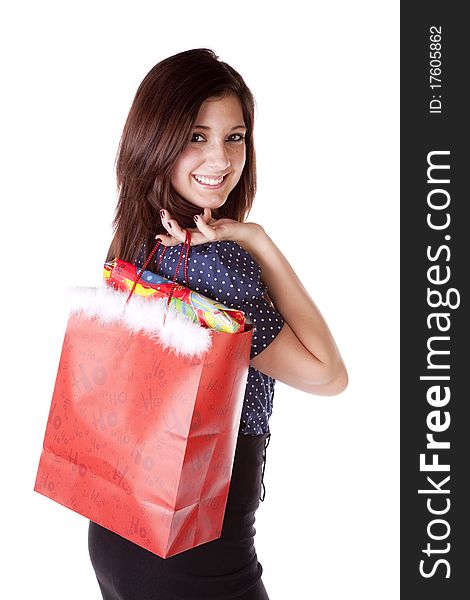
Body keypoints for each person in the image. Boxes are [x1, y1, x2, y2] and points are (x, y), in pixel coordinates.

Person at [88, 47, 348, 600]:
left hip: (114, 530)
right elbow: (328, 374)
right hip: (194, 551)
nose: (221, 159)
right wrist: (258, 241)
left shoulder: (135, 240)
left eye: (235, 137)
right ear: (156, 140)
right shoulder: (223, 267)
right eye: (196, 136)